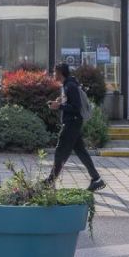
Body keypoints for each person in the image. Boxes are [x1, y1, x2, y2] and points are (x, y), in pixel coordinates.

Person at [46, 62, 105, 192]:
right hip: (73, 123)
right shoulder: (67, 85)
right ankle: (96, 179)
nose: (53, 74)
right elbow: (70, 103)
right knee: (81, 151)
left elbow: (76, 107)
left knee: (60, 151)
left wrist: (59, 106)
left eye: (55, 71)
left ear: (60, 73)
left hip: (72, 123)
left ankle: (50, 181)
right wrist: (59, 102)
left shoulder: (70, 86)